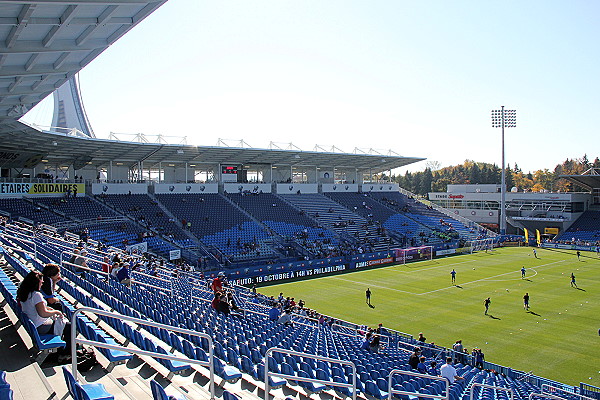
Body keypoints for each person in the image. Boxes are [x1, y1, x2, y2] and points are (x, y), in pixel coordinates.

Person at [17, 271, 72, 361]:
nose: (42, 283)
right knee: (69, 327)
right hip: (40, 326)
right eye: (41, 281)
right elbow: (42, 313)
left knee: (65, 324)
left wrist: (51, 310)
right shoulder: (36, 295)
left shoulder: (25, 293)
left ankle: (64, 348)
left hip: (34, 324)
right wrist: (56, 312)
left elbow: (39, 307)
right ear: (35, 282)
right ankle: (65, 353)